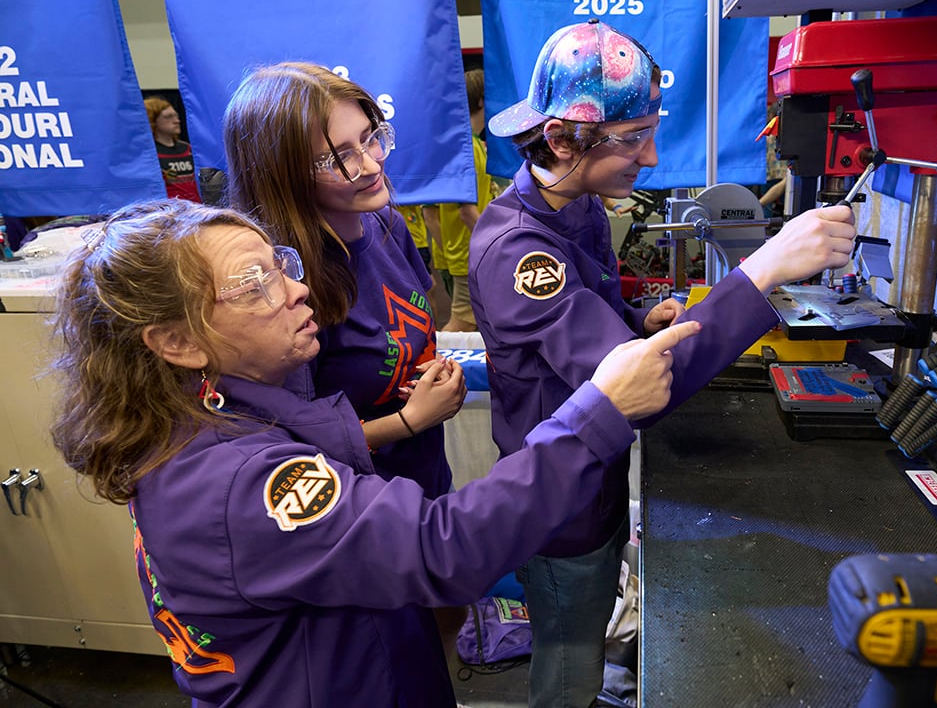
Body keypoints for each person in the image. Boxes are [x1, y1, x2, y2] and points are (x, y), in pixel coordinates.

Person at [49, 199, 701, 707]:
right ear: (178, 343)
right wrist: (601, 409)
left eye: (279, 265)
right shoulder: (240, 481)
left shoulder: (215, 417)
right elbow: (444, 547)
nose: (296, 291)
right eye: (254, 285)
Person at [470, 19, 857, 708]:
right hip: (561, 509)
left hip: (596, 480)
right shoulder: (517, 252)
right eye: (632, 139)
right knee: (569, 672)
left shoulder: (578, 203)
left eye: (651, 131)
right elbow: (644, 386)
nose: (650, 158)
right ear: (560, 140)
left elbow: (590, 321)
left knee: (589, 635)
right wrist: (764, 268)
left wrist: (631, 318)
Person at [221, 62, 468, 666]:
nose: (371, 165)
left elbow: (407, 327)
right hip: (353, 515)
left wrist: (421, 375)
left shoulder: (383, 222)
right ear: (279, 176)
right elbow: (286, 450)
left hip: (421, 478)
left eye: (372, 138)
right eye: (337, 158)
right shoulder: (284, 288)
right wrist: (409, 420)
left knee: (442, 628)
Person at [438, 68, 493, 332]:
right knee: (461, 323)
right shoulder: (466, 148)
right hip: (467, 253)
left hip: (470, 251)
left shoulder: (473, 145)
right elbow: (466, 212)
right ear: (482, 100)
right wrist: (498, 243)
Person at [145, 97, 201, 202]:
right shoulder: (150, 155)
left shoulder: (188, 149)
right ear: (152, 120)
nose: (176, 121)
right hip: (169, 212)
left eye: (176, 116)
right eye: (168, 117)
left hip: (196, 211)